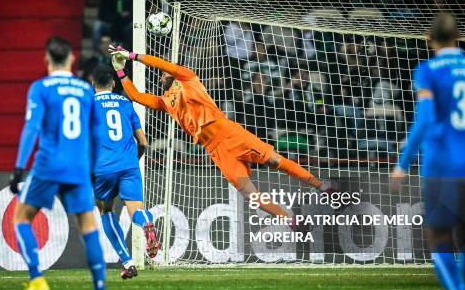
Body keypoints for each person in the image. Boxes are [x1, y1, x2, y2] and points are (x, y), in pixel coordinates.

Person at [109, 45, 331, 221]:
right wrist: (120, 71)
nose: (159, 77)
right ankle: (289, 220)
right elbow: (137, 96)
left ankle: (322, 186)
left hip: (229, 133)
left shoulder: (188, 78)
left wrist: (132, 56)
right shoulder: (166, 102)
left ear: (171, 73)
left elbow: (162, 64)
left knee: (274, 160)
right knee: (249, 193)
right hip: (215, 149)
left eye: (163, 74)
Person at [391, 13, 465, 290]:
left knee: (439, 239)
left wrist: (403, 162)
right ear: (458, 37)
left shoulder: (428, 70)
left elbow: (426, 120)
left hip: (441, 164)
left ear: (430, 41)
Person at [8, 37, 108, 290]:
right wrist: (93, 169)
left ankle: (37, 279)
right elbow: (97, 134)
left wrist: (18, 168)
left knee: (21, 218)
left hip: (48, 165)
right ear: (72, 59)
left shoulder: (40, 88)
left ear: (47, 60)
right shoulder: (86, 90)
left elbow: (31, 129)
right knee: (88, 226)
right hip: (78, 166)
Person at [90, 65, 159, 279]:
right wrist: (133, 161)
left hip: (103, 167)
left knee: (106, 211)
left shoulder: (88, 105)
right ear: (113, 83)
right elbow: (144, 143)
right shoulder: (126, 103)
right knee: (136, 211)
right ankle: (147, 223)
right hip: (129, 165)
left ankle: (128, 262)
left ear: (93, 83)